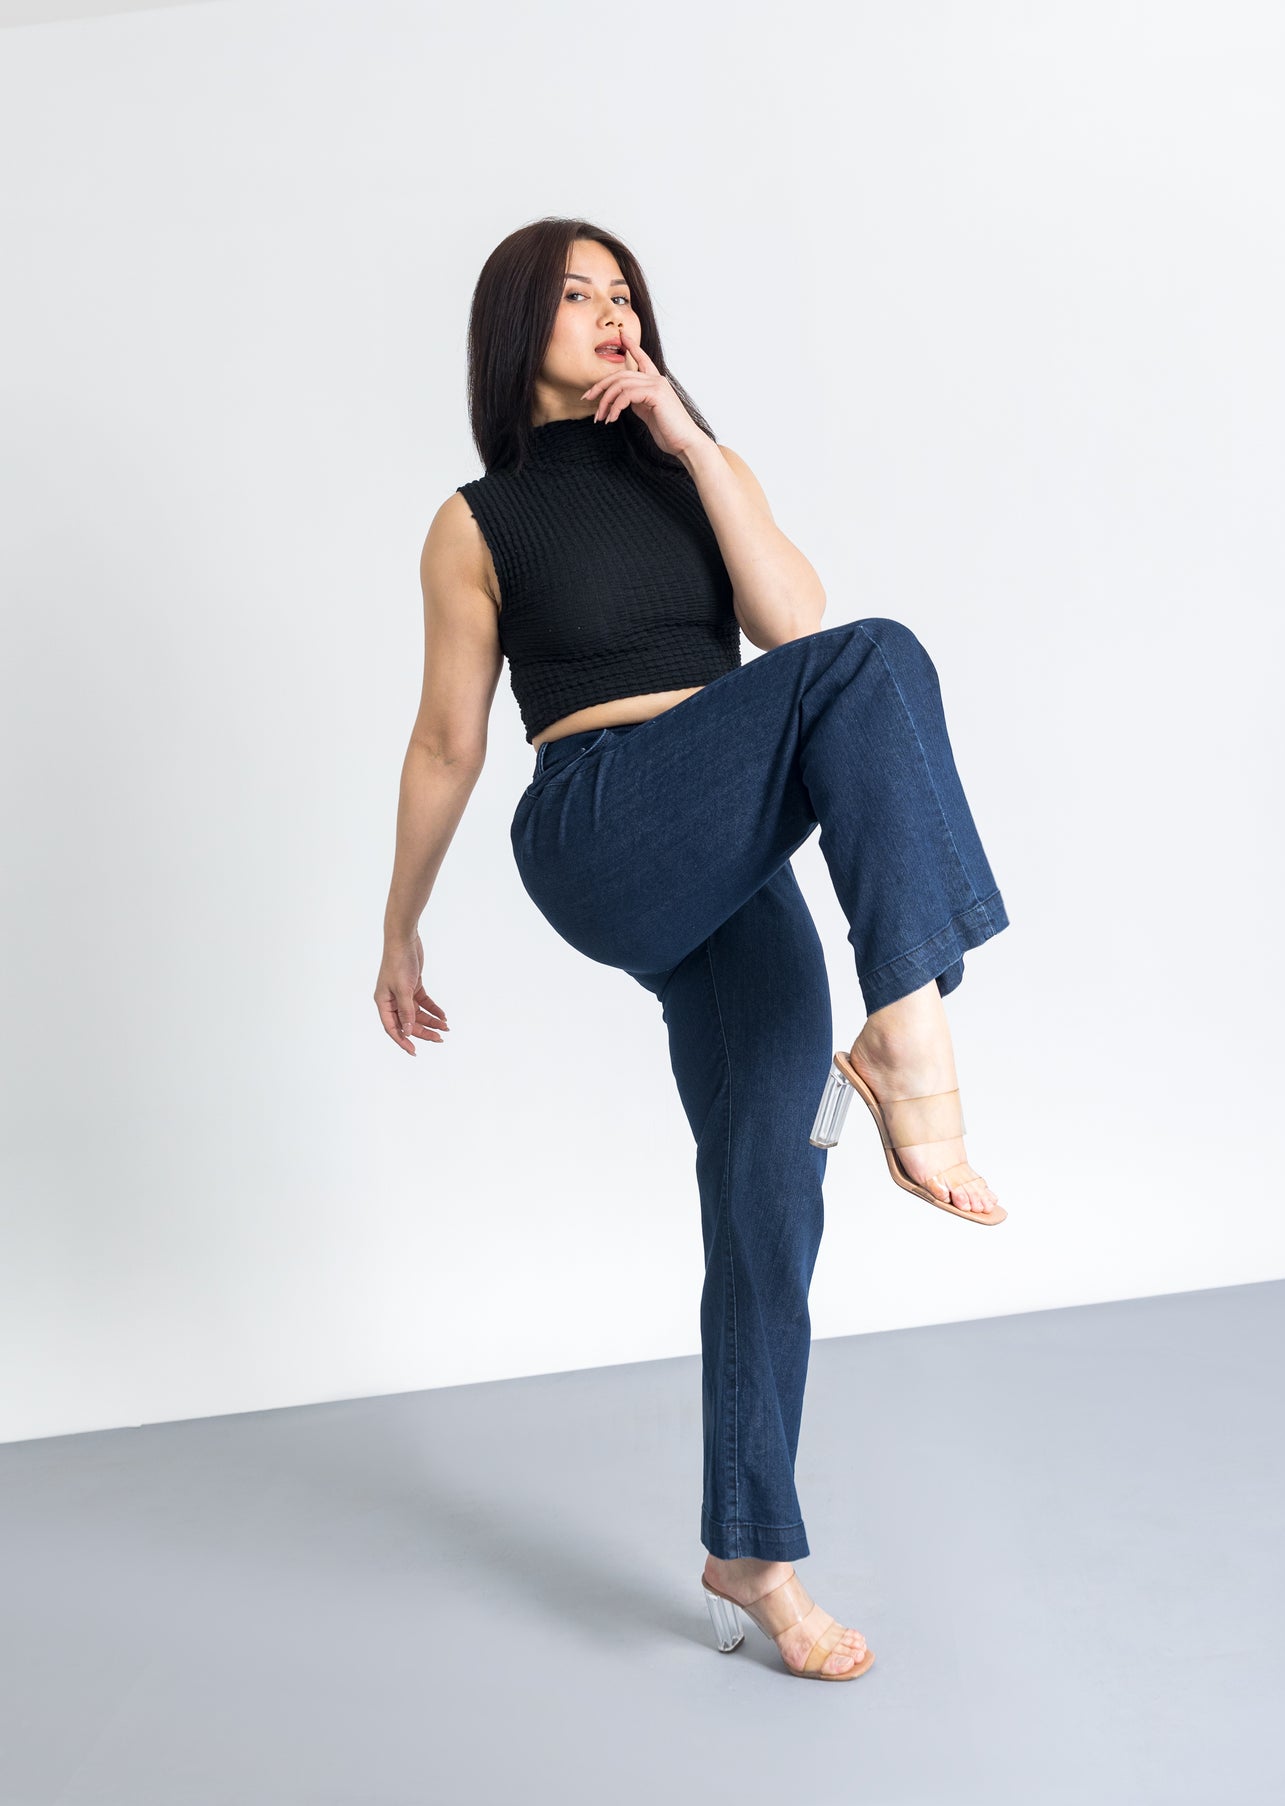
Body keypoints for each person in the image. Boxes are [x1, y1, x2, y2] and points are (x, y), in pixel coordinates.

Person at [374, 217, 1012, 1683]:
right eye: (576, 294)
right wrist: (400, 924)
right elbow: (447, 740)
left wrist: (690, 441)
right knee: (880, 656)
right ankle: (910, 1034)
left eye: (626, 294)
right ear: (515, 326)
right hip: (600, 823)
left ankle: (751, 1553)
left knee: (771, 1194)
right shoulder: (475, 523)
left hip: (728, 851)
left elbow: (790, 627)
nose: (611, 313)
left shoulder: (695, 469)